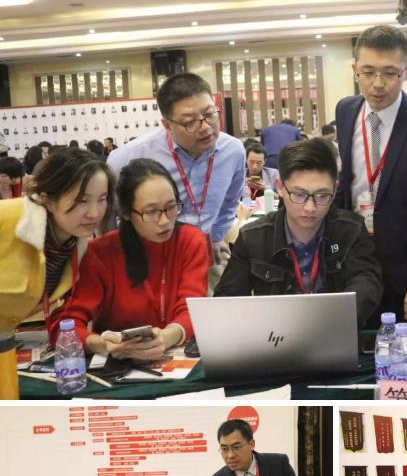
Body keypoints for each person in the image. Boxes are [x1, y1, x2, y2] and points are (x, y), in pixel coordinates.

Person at [335, 25, 407, 322]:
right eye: (367, 72)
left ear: (406, 71)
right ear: (354, 69)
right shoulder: (345, 111)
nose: (377, 84)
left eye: (389, 73)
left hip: (404, 266)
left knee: (401, 343)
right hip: (353, 258)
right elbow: (346, 183)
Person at [214, 138, 383, 327]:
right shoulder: (252, 237)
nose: (310, 208)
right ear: (280, 187)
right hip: (274, 337)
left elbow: (367, 282)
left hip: (336, 330)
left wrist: (333, 318)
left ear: (335, 189)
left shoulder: (351, 230)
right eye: (299, 195)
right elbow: (226, 300)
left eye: (322, 195)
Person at [55, 158, 209, 360]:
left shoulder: (190, 241)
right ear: (127, 213)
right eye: (151, 212)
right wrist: (103, 344)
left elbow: (192, 307)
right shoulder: (101, 253)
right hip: (117, 362)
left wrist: (165, 338)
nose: (164, 221)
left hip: (178, 356)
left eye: (171, 207)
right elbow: (68, 324)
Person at [107, 73, 245, 264]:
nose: (205, 127)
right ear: (167, 125)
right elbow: (109, 214)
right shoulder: (128, 157)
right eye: (189, 122)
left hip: (204, 252)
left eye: (210, 114)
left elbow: (230, 201)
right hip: (148, 255)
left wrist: (216, 237)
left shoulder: (233, 151)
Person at [0, 148, 112, 347]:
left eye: (102, 199)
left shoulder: (77, 245)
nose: (94, 213)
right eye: (82, 201)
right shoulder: (9, 218)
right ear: (48, 200)